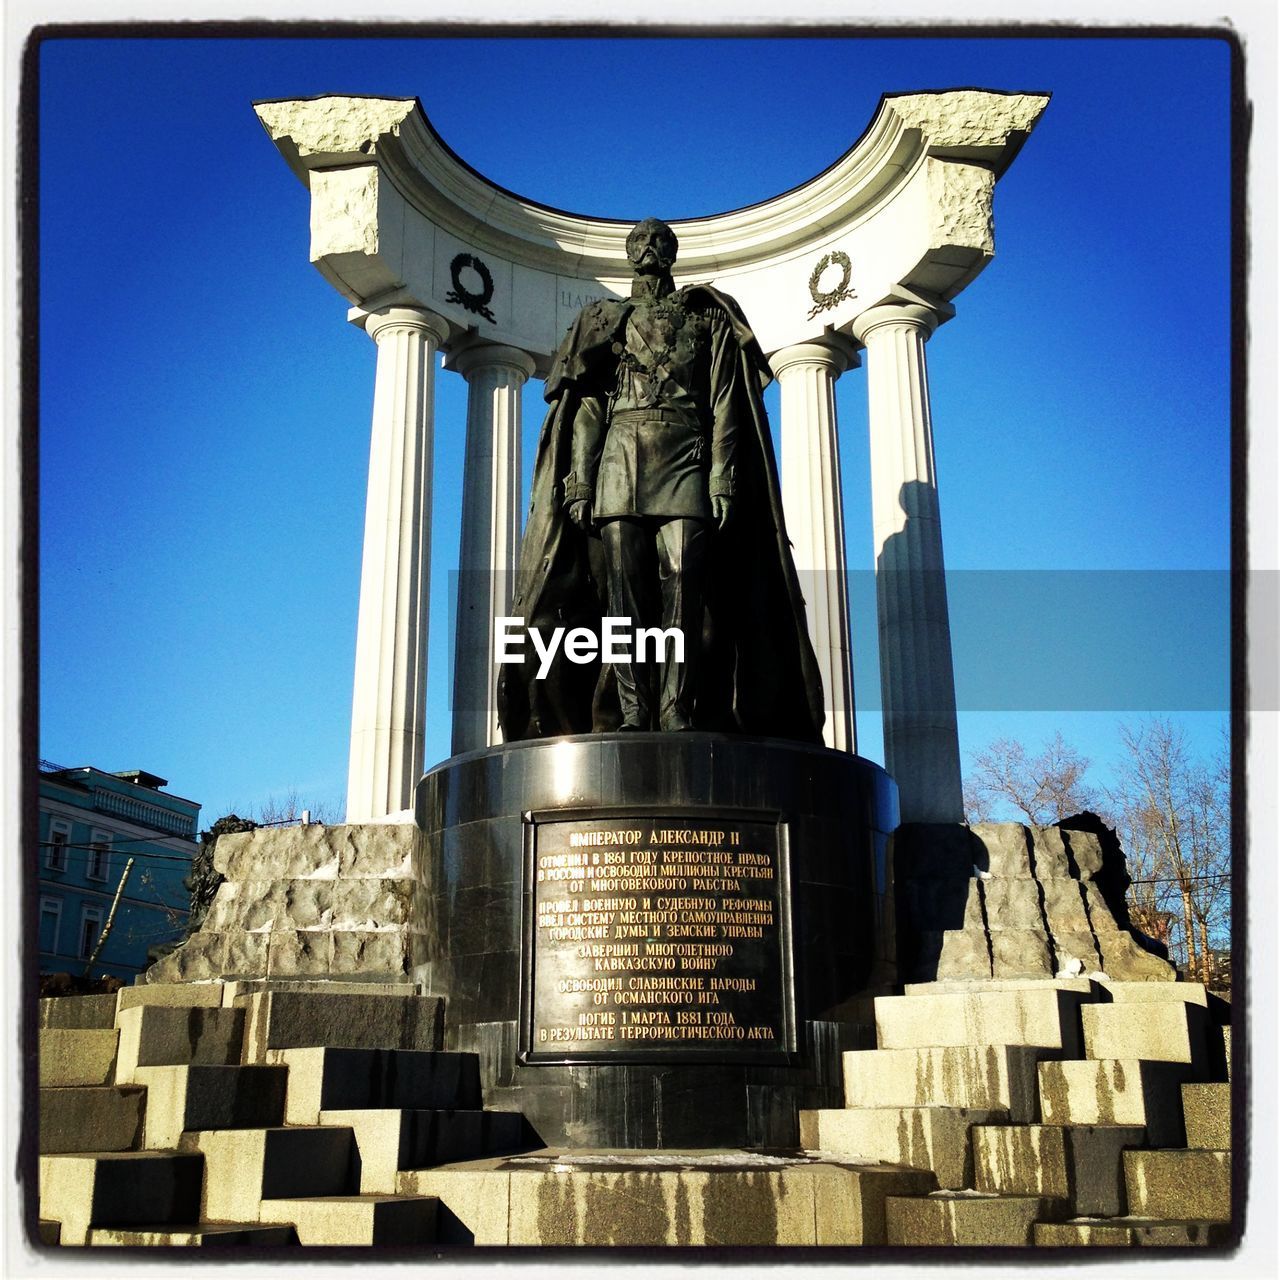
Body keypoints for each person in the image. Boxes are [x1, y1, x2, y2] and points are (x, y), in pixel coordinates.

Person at [497, 217, 824, 743]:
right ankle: (632, 711)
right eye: (641, 241)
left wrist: (722, 476)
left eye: (660, 241)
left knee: (685, 593)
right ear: (629, 255)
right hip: (619, 463)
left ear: (673, 253)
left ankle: (677, 710)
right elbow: (586, 408)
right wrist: (579, 479)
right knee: (624, 603)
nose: (650, 247)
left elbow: (725, 404)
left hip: (686, 459)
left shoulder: (708, 319)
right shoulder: (603, 321)